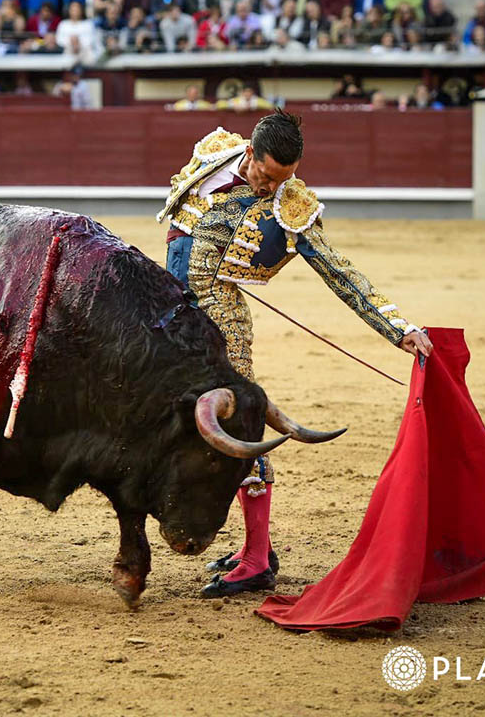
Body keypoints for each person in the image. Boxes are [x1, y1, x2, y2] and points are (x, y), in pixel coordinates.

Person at [158, 112, 432, 597]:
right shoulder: (214, 153)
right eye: (265, 176)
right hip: (173, 311)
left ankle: (259, 558)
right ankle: (248, 547)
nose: (270, 189)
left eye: (283, 179)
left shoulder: (292, 205)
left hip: (220, 321)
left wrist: (399, 328)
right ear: (250, 155)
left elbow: (340, 272)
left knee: (239, 425)